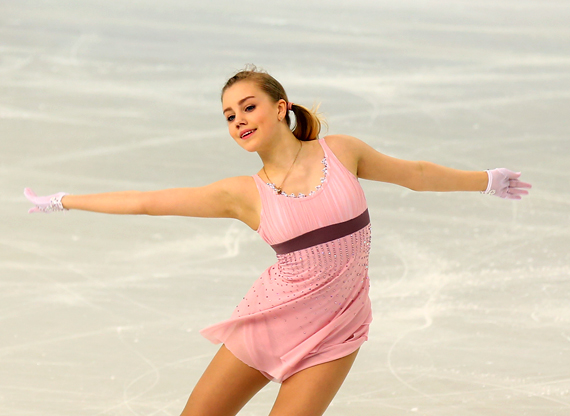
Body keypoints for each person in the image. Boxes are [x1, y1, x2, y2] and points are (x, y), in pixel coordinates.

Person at [25, 66, 531, 416]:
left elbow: (415, 173)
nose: (239, 120)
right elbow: (147, 202)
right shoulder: (243, 194)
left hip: (338, 327)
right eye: (230, 116)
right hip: (271, 319)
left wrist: (485, 180)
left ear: (281, 107)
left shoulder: (342, 152)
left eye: (248, 107)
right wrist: (65, 200)